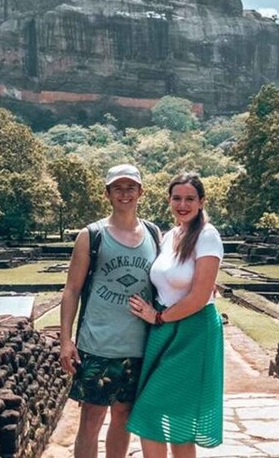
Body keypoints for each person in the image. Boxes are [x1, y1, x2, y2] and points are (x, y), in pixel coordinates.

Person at [58, 164, 161, 458]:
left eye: (131, 188)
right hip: (98, 344)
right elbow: (72, 290)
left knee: (125, 418)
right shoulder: (92, 235)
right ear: (107, 193)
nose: (125, 194)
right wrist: (66, 341)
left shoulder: (154, 234)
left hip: (139, 345)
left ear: (141, 192)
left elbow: (169, 276)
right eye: (118, 188)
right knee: (91, 419)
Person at [127, 172, 224, 457]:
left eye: (190, 199)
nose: (183, 204)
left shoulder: (207, 235)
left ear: (202, 201)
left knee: (150, 410)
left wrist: (157, 317)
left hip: (194, 331)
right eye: (177, 198)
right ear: (169, 200)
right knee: (173, 418)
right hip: (166, 332)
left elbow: (198, 296)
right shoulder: (170, 236)